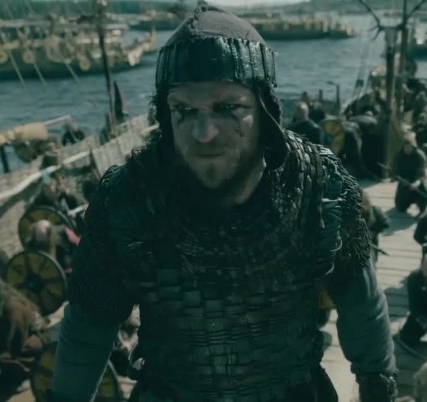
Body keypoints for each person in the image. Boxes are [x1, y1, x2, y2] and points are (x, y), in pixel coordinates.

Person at [49, 4, 398, 402]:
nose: (204, 132)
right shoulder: (128, 199)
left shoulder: (318, 185)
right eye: (184, 110)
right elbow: (88, 327)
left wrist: (378, 385)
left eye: (227, 108)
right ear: (165, 114)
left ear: (265, 110)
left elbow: (361, 304)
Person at [393, 131, 427, 215]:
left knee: (423, 191)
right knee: (400, 207)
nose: (408, 149)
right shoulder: (399, 155)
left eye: (410, 147)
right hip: (404, 181)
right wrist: (401, 179)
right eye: (406, 147)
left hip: (418, 181)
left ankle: (421, 205)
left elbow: (421, 173)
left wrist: (416, 183)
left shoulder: (420, 156)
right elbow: (395, 171)